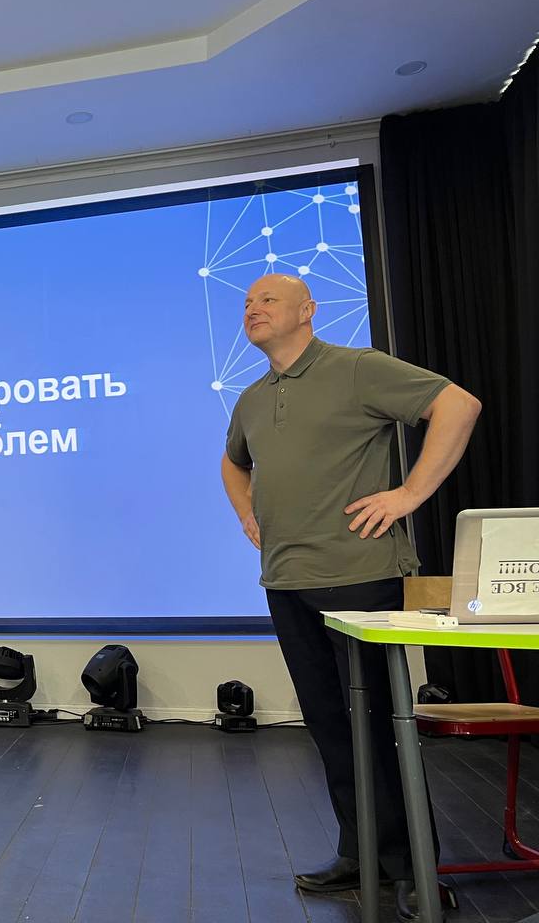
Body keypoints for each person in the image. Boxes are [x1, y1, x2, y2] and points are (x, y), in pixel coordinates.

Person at [221, 273, 480, 919]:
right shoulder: (252, 398)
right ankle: (361, 852)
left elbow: (458, 405)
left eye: (268, 299)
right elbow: (233, 461)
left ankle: (415, 870)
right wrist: (248, 513)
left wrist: (409, 494)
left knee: (376, 729)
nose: (253, 308)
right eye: (247, 302)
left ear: (307, 311)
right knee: (330, 727)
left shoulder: (357, 369)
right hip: (286, 581)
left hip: (359, 576)